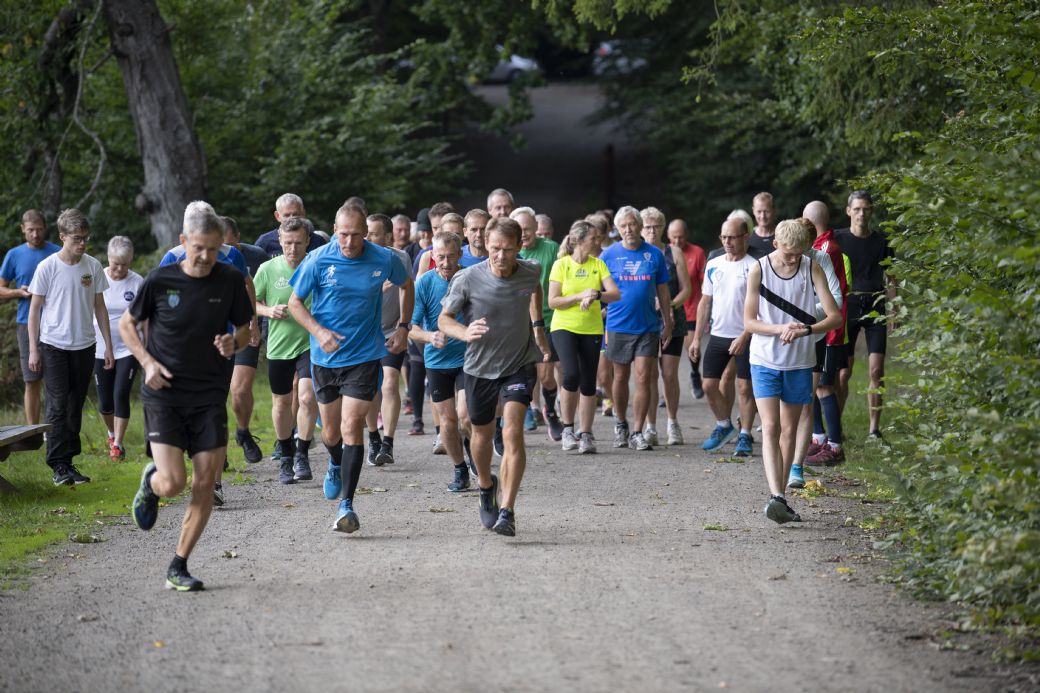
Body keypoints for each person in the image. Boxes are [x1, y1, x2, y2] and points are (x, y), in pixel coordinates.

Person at [126, 201, 253, 591]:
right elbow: (127, 324)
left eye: (213, 249)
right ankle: (152, 482)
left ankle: (178, 565)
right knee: (173, 483)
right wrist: (147, 362)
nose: (205, 257)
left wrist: (234, 342)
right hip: (164, 393)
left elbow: (245, 329)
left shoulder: (230, 279)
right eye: (198, 248)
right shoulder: (159, 280)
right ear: (183, 241)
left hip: (209, 394)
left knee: (205, 483)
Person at [288, 202, 413, 534]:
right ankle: (334, 461)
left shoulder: (383, 258)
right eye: (343, 234)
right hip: (325, 359)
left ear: (366, 233)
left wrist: (404, 327)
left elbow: (407, 285)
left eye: (356, 235)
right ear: (334, 230)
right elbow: (294, 303)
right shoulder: (318, 259)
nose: (349, 241)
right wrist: (318, 332)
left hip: (364, 355)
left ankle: (347, 505)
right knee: (330, 434)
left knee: (352, 425)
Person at [439, 216, 551, 536]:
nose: (501, 256)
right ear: (486, 244)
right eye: (495, 248)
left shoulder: (531, 270)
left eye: (508, 249)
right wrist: (464, 332)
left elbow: (535, 289)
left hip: (518, 364)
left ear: (519, 247)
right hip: (479, 368)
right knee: (481, 436)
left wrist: (537, 327)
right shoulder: (467, 278)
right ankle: (487, 485)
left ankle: (507, 510)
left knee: (513, 431)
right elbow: (444, 319)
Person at [743, 218, 841, 524]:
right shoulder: (758, 269)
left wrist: (806, 330)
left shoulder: (812, 267)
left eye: (799, 254)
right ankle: (776, 495)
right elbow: (749, 321)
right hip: (764, 360)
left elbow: (835, 317)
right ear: (775, 244)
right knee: (770, 427)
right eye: (788, 254)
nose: (793, 259)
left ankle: (780, 497)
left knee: (789, 430)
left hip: (800, 362)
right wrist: (780, 328)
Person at [159, 217, 255, 505]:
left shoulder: (232, 255)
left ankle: (213, 484)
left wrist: (250, 322)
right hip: (181, 349)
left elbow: (246, 285)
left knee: (213, 410)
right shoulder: (172, 258)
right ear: (186, 237)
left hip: (221, 346)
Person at [27, 209, 113, 485]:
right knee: (57, 404)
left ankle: (69, 462)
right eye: (77, 238)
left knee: (75, 404)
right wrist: (33, 349)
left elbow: (100, 307)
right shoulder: (48, 267)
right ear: (63, 236)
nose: (83, 243)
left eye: (86, 238)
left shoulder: (93, 266)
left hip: (85, 345)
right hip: (54, 345)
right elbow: (34, 310)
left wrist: (108, 346)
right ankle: (57, 465)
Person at [600, 206, 673, 451]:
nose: (628, 229)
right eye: (623, 226)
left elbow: (663, 291)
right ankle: (621, 423)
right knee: (620, 377)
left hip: (648, 326)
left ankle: (638, 431)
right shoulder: (608, 255)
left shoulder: (654, 254)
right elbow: (596, 289)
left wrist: (667, 321)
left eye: (632, 224)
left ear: (640, 226)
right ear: (617, 229)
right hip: (618, 325)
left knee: (643, 377)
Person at [790, 201, 851, 485]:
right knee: (806, 392)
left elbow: (836, 300)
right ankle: (816, 438)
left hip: (820, 333)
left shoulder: (824, 256)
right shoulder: (784, 260)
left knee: (822, 388)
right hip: (793, 337)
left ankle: (833, 445)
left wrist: (806, 316)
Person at [253, 217, 318, 484]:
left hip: (310, 342)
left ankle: (302, 452)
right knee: (281, 402)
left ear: (307, 242)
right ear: (279, 241)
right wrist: (268, 310)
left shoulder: (316, 265)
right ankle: (286, 455)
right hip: (279, 346)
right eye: (288, 243)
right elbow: (251, 301)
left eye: (298, 243)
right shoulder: (268, 269)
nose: (293, 249)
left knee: (307, 397)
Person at [410, 231, 476, 490]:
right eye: (440, 257)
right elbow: (410, 327)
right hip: (437, 361)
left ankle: (474, 455)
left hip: (468, 358)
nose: (446, 262)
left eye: (450, 256)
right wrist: (430, 336)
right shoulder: (425, 283)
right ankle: (460, 469)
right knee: (448, 423)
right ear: (433, 257)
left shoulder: (471, 278)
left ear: (460, 254)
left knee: (466, 418)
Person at [547, 220, 620, 453]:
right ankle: (568, 430)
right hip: (564, 327)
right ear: (579, 240)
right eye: (593, 238)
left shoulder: (598, 264)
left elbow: (615, 294)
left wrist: (596, 294)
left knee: (588, 382)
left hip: (591, 328)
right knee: (571, 375)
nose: (598, 242)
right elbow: (553, 301)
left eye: (598, 238)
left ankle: (586, 433)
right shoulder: (561, 265)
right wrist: (580, 296)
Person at [689, 218, 758, 456]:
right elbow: (705, 302)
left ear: (745, 237)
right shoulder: (714, 264)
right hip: (718, 334)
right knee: (709, 385)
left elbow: (761, 307)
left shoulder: (754, 266)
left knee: (745, 387)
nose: (727, 242)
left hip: (746, 336)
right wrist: (697, 338)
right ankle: (724, 425)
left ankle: (745, 435)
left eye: (732, 237)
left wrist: (745, 335)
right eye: (723, 237)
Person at [835, 190, 894, 441]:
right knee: (843, 372)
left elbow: (891, 277)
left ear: (871, 211)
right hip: (847, 307)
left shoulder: (882, 242)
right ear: (848, 211)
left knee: (876, 371)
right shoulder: (837, 239)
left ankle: (874, 430)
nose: (861, 213)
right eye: (857, 208)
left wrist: (894, 310)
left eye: (866, 208)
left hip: (875, 307)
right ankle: (836, 428)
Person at [0, 210, 60, 424]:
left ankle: (53, 430)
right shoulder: (14, 255)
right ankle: (32, 432)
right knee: (32, 380)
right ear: (23, 229)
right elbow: (1, 289)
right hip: (26, 324)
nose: (35, 234)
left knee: (55, 382)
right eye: (31, 230)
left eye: (39, 229)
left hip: (56, 323)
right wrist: (18, 292)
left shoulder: (57, 253)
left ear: (45, 228)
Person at [363, 213, 412, 466]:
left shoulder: (401, 258)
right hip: (365, 332)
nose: (368, 238)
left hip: (391, 330)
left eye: (373, 233)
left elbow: (408, 291)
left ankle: (388, 443)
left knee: (390, 383)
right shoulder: (358, 258)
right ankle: (373, 436)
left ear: (388, 236)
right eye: (366, 233)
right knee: (370, 386)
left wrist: (404, 327)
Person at [641, 207, 691, 446]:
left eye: (656, 226)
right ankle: (650, 426)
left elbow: (686, 289)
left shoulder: (674, 252)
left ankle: (672, 422)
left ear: (663, 228)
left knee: (669, 374)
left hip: (673, 318)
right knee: (648, 375)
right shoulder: (637, 253)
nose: (652, 231)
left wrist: (667, 305)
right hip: (645, 321)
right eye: (647, 227)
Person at [513, 206, 564, 439]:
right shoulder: (510, 251)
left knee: (546, 376)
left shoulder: (551, 248)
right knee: (524, 373)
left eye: (527, 229)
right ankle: (527, 410)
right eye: (519, 229)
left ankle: (550, 410)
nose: (524, 234)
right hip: (518, 322)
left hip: (547, 319)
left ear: (536, 227)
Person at [223, 216, 269, 466]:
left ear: (238, 238)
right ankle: (217, 449)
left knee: (239, 390)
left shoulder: (255, 256)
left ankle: (243, 431)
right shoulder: (204, 255)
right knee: (215, 394)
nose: (225, 250)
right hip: (215, 330)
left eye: (229, 244)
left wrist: (255, 323)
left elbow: (261, 289)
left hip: (245, 328)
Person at [93, 236, 144, 460]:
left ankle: (118, 445)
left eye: (125, 264)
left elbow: (145, 317)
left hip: (128, 347)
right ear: (108, 258)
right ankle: (111, 434)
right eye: (116, 264)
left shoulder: (137, 282)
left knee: (120, 393)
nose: (120, 269)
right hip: (100, 347)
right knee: (105, 402)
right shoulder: (97, 278)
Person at [669, 218, 707, 400]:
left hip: (691, 308)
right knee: (667, 352)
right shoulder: (663, 253)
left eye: (681, 237)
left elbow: (705, 283)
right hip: (669, 309)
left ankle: (694, 373)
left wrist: (707, 310)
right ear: (668, 236)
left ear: (687, 235)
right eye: (674, 237)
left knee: (692, 346)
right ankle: (667, 388)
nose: (678, 241)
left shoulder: (697, 253)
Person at [254, 193, 326, 256]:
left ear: (303, 213)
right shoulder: (265, 242)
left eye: (296, 214)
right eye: (286, 215)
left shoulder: (318, 241)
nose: (291, 219)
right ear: (277, 216)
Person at [748, 192, 777, 258]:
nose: (762, 216)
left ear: (774, 210)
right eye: (759, 211)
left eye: (767, 211)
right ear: (753, 211)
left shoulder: (782, 236)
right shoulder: (747, 237)